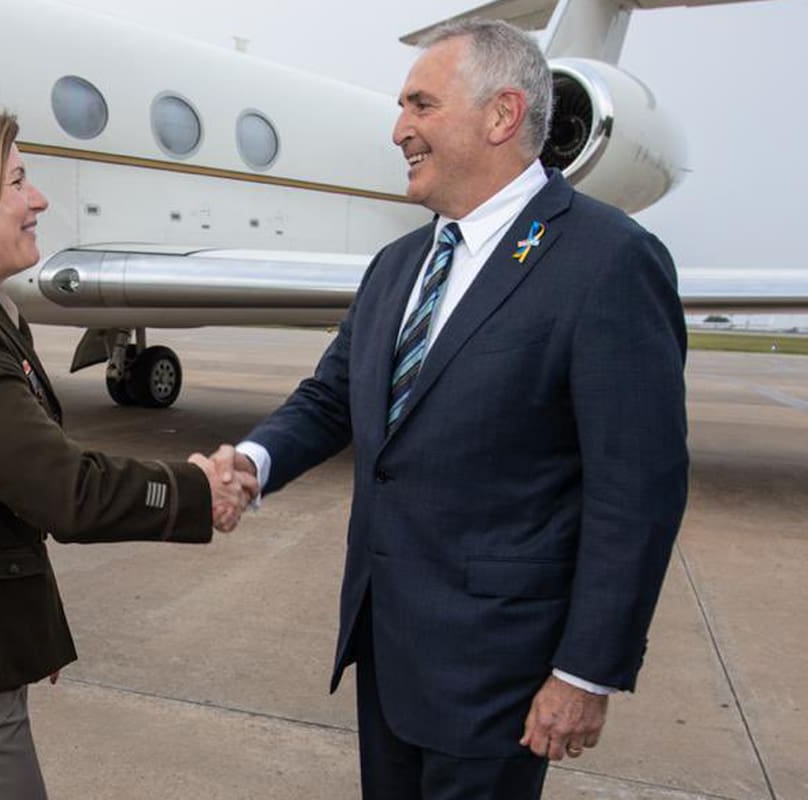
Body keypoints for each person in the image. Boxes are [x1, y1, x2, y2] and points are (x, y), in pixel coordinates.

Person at [205, 19, 689, 799]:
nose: (399, 129)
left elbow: (637, 489)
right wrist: (254, 464)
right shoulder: (401, 264)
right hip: (387, 648)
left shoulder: (608, 262)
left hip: (501, 671)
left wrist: (585, 671)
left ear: (500, 116)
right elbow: (333, 398)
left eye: (421, 105)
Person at [0, 109, 253, 799]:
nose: (38, 200)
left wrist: (22, 630)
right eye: (17, 181)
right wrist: (193, 488)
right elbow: (62, 488)